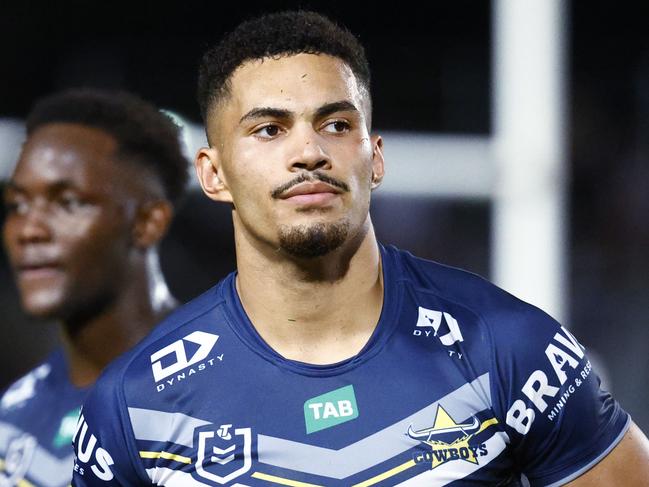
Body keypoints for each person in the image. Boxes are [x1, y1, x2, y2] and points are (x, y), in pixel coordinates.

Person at [71, 11, 649, 486]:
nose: (309, 152)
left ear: (374, 158)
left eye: (336, 124)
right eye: (269, 129)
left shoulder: (507, 346)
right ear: (213, 174)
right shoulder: (136, 407)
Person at [0, 89, 188, 486]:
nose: (29, 230)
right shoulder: (11, 416)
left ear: (147, 222)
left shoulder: (220, 384)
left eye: (68, 202)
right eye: (17, 205)